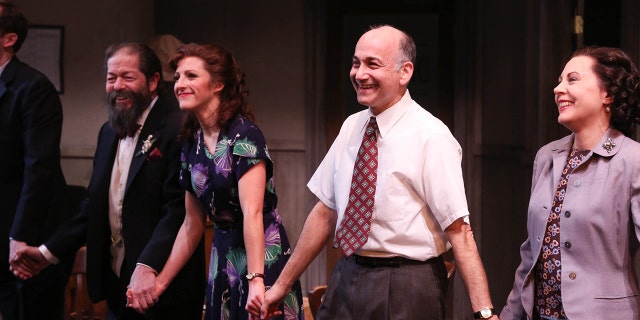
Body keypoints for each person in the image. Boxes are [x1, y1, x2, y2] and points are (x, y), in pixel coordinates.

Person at [260, 24, 497, 320]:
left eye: (372, 64)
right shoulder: (351, 127)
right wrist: (281, 285)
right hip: (347, 272)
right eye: (356, 63)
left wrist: (484, 313)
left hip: (407, 283)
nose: (359, 74)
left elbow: (459, 230)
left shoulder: (431, 135)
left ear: (405, 72)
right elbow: (325, 212)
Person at [11, 42, 206, 320]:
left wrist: (147, 266)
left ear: (152, 82)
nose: (117, 86)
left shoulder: (179, 126)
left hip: (164, 287)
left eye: (127, 77)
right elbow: (93, 205)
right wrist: (47, 252)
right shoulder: (108, 132)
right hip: (117, 285)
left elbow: (177, 211)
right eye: (111, 78)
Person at [127, 43, 305, 320]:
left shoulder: (243, 135)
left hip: (260, 255)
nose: (180, 84)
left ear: (218, 84)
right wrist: (160, 283)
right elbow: (191, 224)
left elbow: (253, 213)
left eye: (191, 76)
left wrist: (256, 279)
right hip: (222, 257)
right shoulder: (191, 142)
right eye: (178, 77)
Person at [500, 47, 640, 319]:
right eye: (559, 80)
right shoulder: (547, 156)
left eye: (572, 79)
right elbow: (532, 251)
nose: (558, 89)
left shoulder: (633, 160)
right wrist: (509, 314)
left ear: (607, 94)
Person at [0, 1, 70, 319]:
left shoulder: (33, 87)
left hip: (25, 233)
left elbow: (39, 166)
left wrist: (19, 236)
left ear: (8, 38)